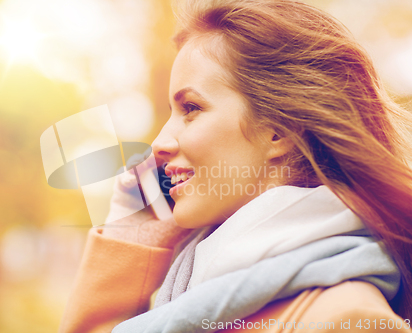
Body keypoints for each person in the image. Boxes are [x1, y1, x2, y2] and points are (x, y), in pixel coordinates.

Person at [58, 0, 412, 332]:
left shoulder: (348, 319)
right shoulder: (194, 291)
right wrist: (131, 236)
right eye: (171, 112)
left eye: (191, 109)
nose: (159, 143)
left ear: (278, 131)